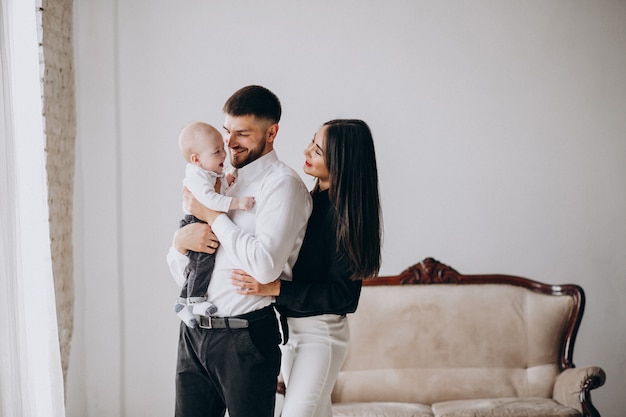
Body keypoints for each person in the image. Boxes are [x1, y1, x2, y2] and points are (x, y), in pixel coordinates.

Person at [166, 85, 312, 417]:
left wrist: (215, 217)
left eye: (243, 134)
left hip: (244, 339)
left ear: (272, 132)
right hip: (193, 334)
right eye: (227, 131)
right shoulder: (220, 181)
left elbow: (265, 267)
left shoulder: (282, 186)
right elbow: (182, 270)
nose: (230, 143)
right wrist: (179, 243)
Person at [230, 119, 383, 417]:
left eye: (318, 150)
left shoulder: (346, 216)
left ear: (342, 161)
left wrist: (275, 288)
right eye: (312, 143)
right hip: (292, 333)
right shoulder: (310, 201)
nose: (306, 152)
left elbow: (344, 296)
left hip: (321, 336)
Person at [173, 121, 255, 328]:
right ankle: (195, 299)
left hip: (200, 219)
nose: (224, 155)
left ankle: (183, 303)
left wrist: (228, 179)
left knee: (197, 266)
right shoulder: (196, 176)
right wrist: (237, 202)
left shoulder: (209, 172)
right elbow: (210, 200)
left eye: (222, 149)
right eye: (217, 152)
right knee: (202, 264)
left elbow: (219, 187)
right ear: (196, 159)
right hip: (195, 221)